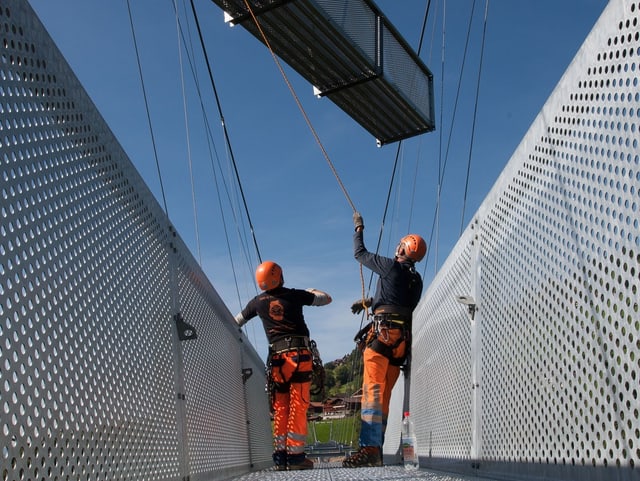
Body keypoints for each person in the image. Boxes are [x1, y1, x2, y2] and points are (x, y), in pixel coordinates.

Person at [342, 212, 426, 468]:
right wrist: (369, 302)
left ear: (403, 248)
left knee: (372, 394)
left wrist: (358, 227)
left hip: (382, 337)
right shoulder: (416, 279)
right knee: (383, 398)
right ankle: (374, 449)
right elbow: (398, 300)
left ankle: (370, 449)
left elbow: (360, 253)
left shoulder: (390, 266)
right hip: (400, 345)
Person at [234, 260, 332, 471]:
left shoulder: (257, 302)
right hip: (299, 357)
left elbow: (237, 321)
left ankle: (280, 456)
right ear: (279, 277)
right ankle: (296, 457)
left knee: (281, 407)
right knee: (298, 404)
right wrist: (311, 291)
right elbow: (326, 299)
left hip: (278, 361)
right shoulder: (295, 295)